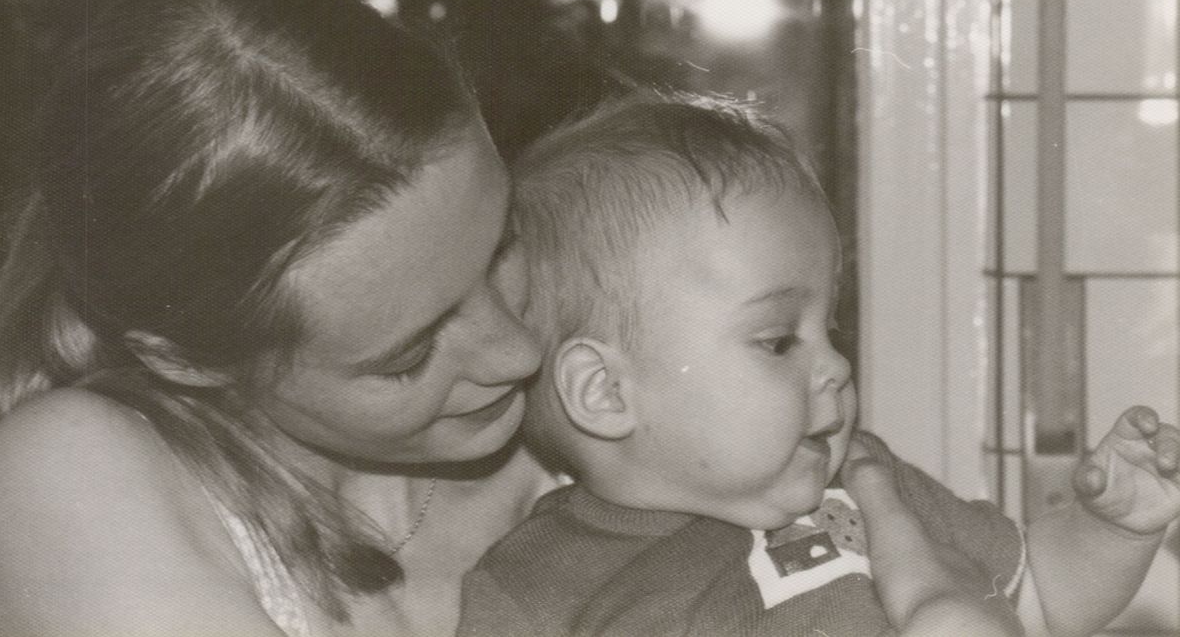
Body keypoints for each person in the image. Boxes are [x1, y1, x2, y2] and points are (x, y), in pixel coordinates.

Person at [0, 0, 555, 637]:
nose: (520, 350)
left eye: (503, 247)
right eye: (410, 358)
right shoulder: (68, 478)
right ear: (188, 358)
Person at [458, 92, 1180, 637]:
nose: (835, 365)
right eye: (778, 340)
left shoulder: (865, 489)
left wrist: (1114, 529)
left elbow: (1040, 594)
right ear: (606, 390)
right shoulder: (534, 588)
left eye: (830, 329)